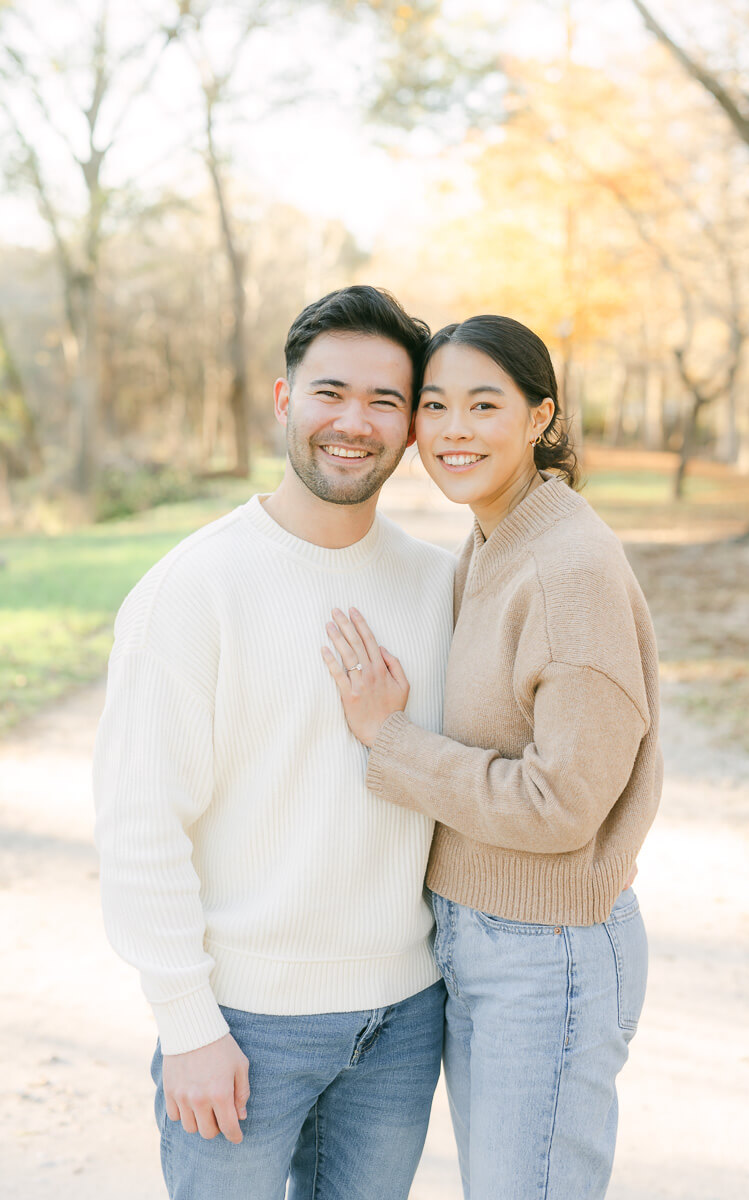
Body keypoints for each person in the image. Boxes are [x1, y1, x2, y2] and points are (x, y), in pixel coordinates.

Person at [93, 286, 457, 1200]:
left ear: (413, 424)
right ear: (283, 398)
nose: (355, 421)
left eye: (386, 401)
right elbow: (140, 826)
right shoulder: (194, 588)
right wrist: (188, 1025)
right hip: (245, 1027)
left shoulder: (441, 585)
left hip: (405, 1022)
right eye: (331, 391)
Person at [324, 314, 662, 1200]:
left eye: (484, 404)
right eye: (435, 406)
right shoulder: (496, 543)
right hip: (485, 936)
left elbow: (562, 802)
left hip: (546, 951)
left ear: (541, 416)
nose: (454, 430)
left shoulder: (565, 567)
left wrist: (389, 740)